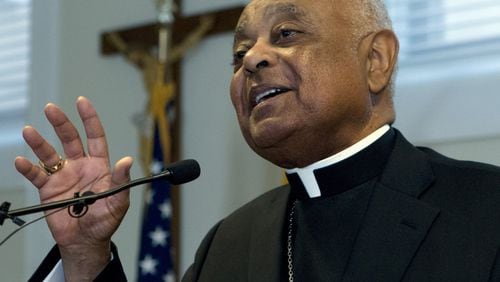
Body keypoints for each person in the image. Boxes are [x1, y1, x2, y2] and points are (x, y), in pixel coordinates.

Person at [18, 0, 500, 281]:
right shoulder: (229, 244)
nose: (252, 60)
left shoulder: (486, 211)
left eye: (286, 33)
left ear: (375, 60)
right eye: (239, 53)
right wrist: (86, 254)